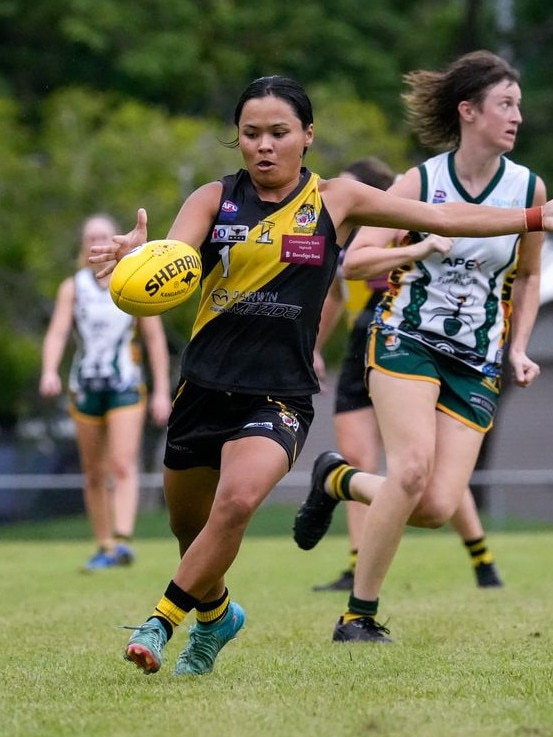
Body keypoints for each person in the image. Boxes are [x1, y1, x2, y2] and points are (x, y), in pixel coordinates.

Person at [89, 73, 551, 676]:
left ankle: (160, 623)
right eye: (251, 134)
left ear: (306, 136)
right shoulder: (212, 199)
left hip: (278, 393)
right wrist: (137, 257)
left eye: (279, 133)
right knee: (189, 529)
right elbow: (171, 266)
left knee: (235, 505)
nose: (263, 146)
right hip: (202, 386)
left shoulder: (338, 199)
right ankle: (217, 615)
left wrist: (535, 218)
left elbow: (446, 217)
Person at [293, 51, 545, 643]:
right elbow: (355, 262)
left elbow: (530, 276)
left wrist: (520, 347)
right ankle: (359, 616)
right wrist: (416, 249)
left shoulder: (528, 188)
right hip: (406, 338)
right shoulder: (420, 182)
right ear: (469, 111)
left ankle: (338, 479)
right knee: (408, 471)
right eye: (505, 104)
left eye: (518, 106)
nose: (517, 117)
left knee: (433, 506)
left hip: (476, 357)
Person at [313, 157, 502, 592]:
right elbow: (338, 293)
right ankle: (357, 565)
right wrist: (315, 346)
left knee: (431, 469)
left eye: (356, 190)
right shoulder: (338, 229)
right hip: (368, 334)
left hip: (415, 334)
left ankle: (481, 557)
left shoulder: (403, 211)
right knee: (371, 456)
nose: (346, 198)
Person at [39, 214, 172, 572]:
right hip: (85, 385)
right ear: (84, 245)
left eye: (103, 235)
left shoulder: (135, 280)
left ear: (114, 239)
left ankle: (124, 540)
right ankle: (104, 543)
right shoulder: (74, 286)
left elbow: (155, 339)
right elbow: (58, 332)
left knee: (122, 463)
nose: (96, 241)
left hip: (125, 384)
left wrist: (162, 391)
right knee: (93, 471)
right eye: (90, 237)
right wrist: (50, 370)